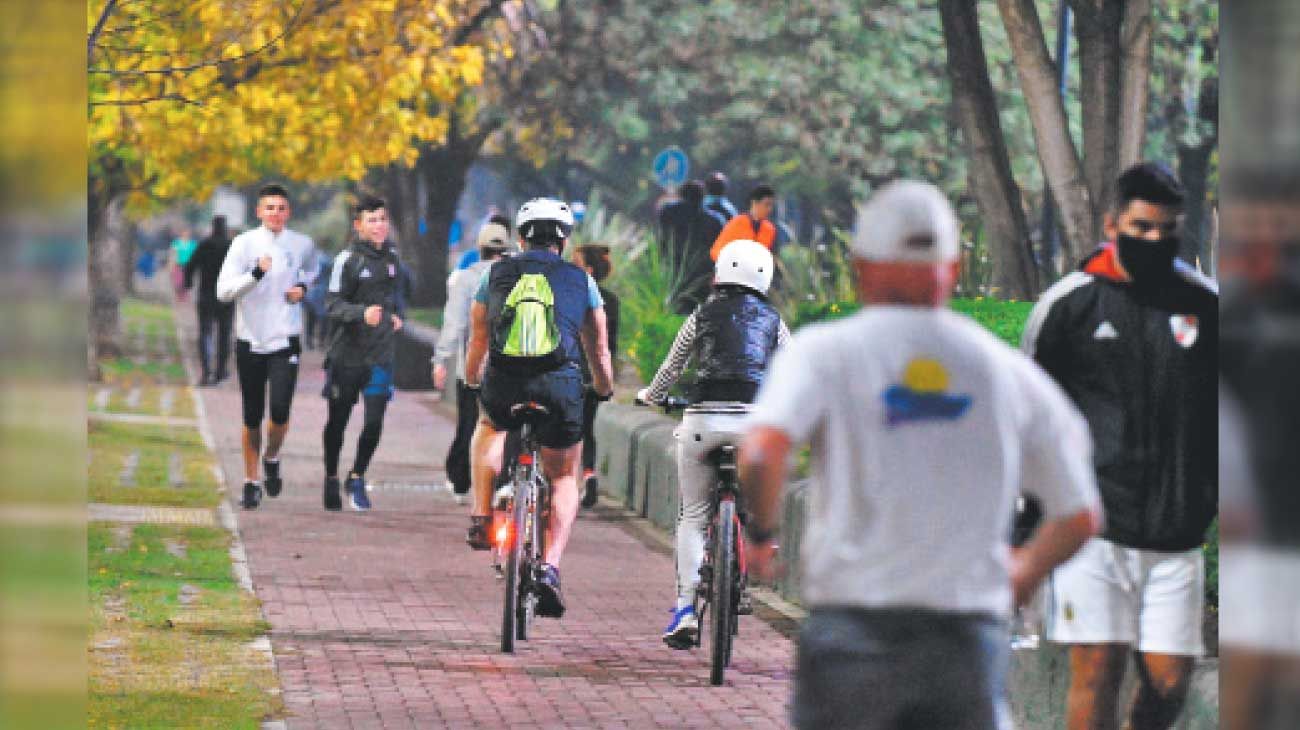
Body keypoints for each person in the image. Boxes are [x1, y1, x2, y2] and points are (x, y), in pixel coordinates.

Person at [738, 180, 1103, 730]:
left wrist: (762, 532)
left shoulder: (825, 353)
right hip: (964, 642)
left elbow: (763, 451)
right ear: (952, 270)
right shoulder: (1002, 371)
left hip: (852, 635)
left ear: (861, 267)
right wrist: (1023, 570)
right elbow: (1080, 512)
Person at [1021, 162, 1217, 730]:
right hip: (1092, 530)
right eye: (1142, 227)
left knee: (1171, 679)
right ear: (1113, 223)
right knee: (1097, 667)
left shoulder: (1207, 307)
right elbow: (1029, 421)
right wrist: (1023, 528)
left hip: (1176, 536)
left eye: (1167, 229)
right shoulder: (1069, 306)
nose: (1154, 240)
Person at [463, 197, 615, 619]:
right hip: (559, 386)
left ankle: (480, 514)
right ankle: (549, 567)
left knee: (489, 425)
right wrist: (603, 387)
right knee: (565, 474)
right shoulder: (581, 281)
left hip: (505, 382)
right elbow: (598, 348)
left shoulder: (494, 275)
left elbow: (478, 339)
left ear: (522, 237)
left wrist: (472, 377)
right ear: (564, 240)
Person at [635, 239, 790, 648]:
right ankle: (756, 539)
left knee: (694, 517)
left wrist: (651, 396)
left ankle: (685, 608)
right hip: (753, 427)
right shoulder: (773, 320)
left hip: (703, 422)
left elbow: (672, 366)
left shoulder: (701, 314)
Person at [216, 184, 318, 510]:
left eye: (281, 208)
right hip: (250, 339)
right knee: (251, 416)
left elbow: (313, 271)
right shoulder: (243, 244)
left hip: (285, 338)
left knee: (280, 412)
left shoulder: (301, 244)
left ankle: (272, 456)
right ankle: (251, 480)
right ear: (258, 212)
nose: (275, 213)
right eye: (269, 208)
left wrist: (303, 287)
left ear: (289, 212)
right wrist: (255, 275)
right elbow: (223, 291)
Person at [319, 195, 406, 512]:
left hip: (381, 354)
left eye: (383, 219)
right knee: (337, 422)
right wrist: (360, 313)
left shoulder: (393, 259)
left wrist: (395, 316)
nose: (379, 225)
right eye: (372, 220)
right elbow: (331, 305)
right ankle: (330, 475)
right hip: (347, 356)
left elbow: (395, 298)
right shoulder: (347, 260)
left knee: (373, 423)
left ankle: (356, 475)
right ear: (358, 225)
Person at [433, 218, 515, 505]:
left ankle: (460, 480)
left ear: (479, 248)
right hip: (509, 369)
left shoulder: (467, 278)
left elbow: (454, 324)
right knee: (505, 426)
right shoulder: (516, 278)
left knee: (469, 425)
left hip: (472, 366)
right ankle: (503, 481)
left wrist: (441, 359)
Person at [573, 244, 620, 509]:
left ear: (588, 270)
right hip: (595, 373)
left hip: (570, 370)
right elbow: (610, 344)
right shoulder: (611, 300)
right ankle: (589, 473)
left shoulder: (573, 296)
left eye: (575, 263)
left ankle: (562, 482)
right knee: (587, 428)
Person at [659, 180, 727, 314]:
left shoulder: (668, 213)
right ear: (703, 197)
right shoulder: (715, 220)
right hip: (703, 273)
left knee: (676, 309)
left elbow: (663, 239)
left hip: (675, 270)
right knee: (700, 312)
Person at [183, 215, 235, 385]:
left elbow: (190, 266)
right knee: (224, 334)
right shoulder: (232, 246)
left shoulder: (204, 245)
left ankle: (207, 372)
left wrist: (188, 283)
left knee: (205, 332)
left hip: (207, 295)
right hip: (227, 296)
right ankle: (221, 370)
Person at [710, 184, 777, 261]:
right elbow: (716, 252)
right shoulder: (736, 223)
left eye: (771, 205)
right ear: (754, 202)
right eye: (767, 205)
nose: (770, 209)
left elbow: (771, 257)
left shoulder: (769, 229)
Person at [302, 243, 334, 350]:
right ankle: (321, 341)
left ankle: (309, 341)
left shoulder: (312, 260)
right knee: (323, 317)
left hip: (312, 292)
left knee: (311, 318)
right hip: (323, 292)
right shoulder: (328, 259)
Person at [170, 227, 198, 302]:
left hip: (188, 265)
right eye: (184, 232)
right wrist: (170, 264)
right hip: (178, 264)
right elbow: (173, 254)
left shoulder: (193, 244)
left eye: (187, 233)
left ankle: (184, 297)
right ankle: (178, 296)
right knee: (177, 282)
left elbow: (195, 255)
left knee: (185, 282)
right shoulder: (176, 243)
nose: (186, 234)